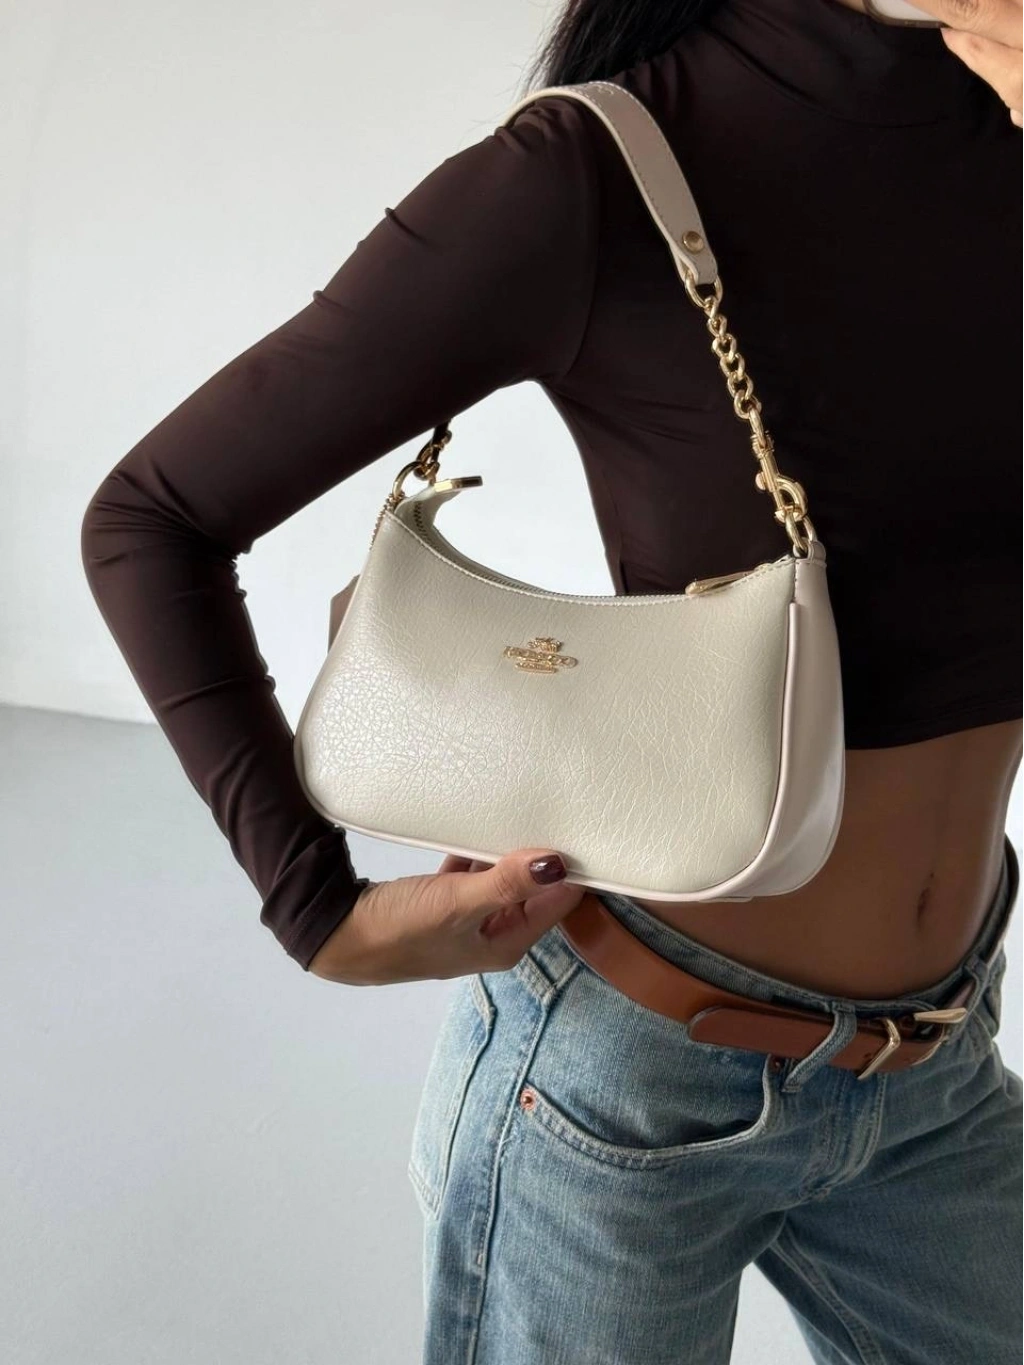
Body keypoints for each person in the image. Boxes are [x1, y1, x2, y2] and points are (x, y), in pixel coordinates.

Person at [80, 0, 1023, 1359]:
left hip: (940, 1062)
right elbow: (152, 517)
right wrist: (317, 909)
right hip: (621, 1086)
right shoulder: (597, 168)